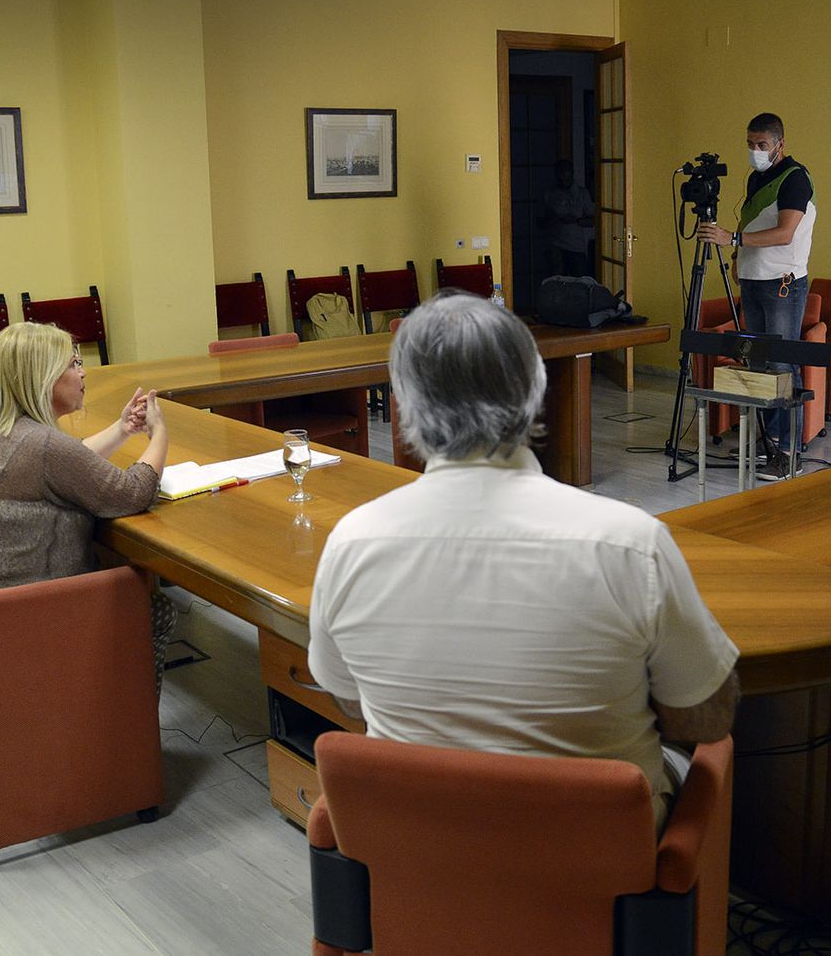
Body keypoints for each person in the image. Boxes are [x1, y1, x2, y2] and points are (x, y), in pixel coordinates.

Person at [308, 293, 739, 831]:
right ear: (535, 390)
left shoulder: (351, 544)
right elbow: (705, 715)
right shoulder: (631, 545)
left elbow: (349, 702)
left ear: (403, 402)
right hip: (601, 865)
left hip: (422, 855)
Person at [0, 322, 176, 692]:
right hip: (23, 611)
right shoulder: (45, 446)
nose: (82, 373)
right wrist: (160, 433)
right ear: (42, 378)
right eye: (72, 364)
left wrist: (121, 430)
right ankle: (127, 734)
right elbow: (133, 492)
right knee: (155, 608)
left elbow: (71, 462)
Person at [694, 112, 815, 479]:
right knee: (759, 364)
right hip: (752, 279)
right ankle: (767, 440)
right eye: (750, 144)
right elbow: (754, 224)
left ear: (781, 143)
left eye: (761, 145)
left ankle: (788, 450)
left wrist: (732, 239)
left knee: (782, 364)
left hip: (782, 282)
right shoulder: (756, 177)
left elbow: (784, 233)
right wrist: (737, 255)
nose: (755, 151)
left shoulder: (795, 179)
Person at [538, 158, 596, 277]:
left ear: (572, 172)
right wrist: (556, 219)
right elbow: (540, 223)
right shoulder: (549, 194)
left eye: (566, 172)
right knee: (557, 284)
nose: (563, 175)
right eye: (561, 172)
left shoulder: (582, 194)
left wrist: (576, 220)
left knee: (580, 283)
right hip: (555, 246)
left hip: (576, 246)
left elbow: (594, 220)